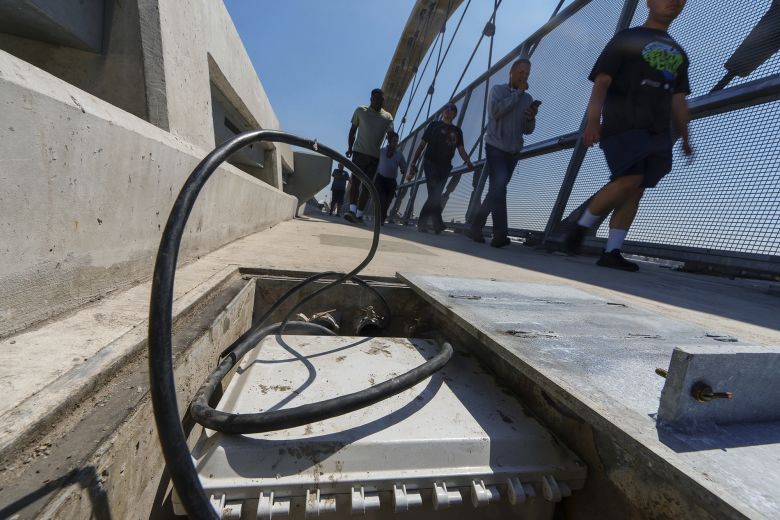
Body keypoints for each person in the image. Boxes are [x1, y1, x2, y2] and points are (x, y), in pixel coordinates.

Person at [564, 0, 692, 271]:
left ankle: (612, 252)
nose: (674, 2)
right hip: (623, 122)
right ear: (649, 2)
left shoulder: (679, 53)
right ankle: (582, 224)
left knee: (637, 188)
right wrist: (592, 121)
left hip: (657, 130)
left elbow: (679, 100)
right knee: (630, 178)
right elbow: (602, 81)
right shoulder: (627, 38)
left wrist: (686, 137)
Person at [465, 59, 539, 247]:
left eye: (527, 74)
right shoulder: (498, 91)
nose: (524, 76)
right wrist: (518, 93)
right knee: (499, 188)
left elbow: (527, 130)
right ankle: (500, 235)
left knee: (496, 191)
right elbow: (496, 112)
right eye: (521, 72)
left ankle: (475, 226)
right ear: (511, 72)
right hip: (495, 147)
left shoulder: (528, 100)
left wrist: (530, 119)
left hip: (513, 151)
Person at [408, 102, 474, 234]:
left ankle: (424, 223)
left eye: (451, 109)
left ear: (455, 114)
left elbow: (461, 149)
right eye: (446, 108)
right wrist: (413, 162)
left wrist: (468, 161)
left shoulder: (457, 131)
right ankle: (437, 223)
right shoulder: (434, 125)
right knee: (435, 192)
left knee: (434, 194)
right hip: (430, 162)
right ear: (443, 112)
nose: (448, 111)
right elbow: (422, 145)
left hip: (445, 166)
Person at [344, 88, 394, 225]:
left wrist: (391, 148)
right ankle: (352, 211)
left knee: (367, 186)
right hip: (359, 152)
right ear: (371, 99)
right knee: (355, 182)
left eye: (381, 99)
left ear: (384, 100)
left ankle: (359, 215)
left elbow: (391, 136)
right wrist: (349, 147)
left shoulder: (388, 117)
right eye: (376, 98)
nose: (379, 101)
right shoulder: (361, 110)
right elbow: (352, 130)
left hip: (374, 157)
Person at [372, 132, 407, 224]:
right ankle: (378, 218)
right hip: (380, 179)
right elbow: (374, 162)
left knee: (387, 202)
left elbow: (403, 165)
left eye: (397, 141)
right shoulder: (381, 151)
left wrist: (403, 170)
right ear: (389, 141)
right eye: (394, 141)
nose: (396, 143)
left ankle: (381, 218)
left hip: (391, 182)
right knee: (380, 199)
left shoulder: (399, 154)